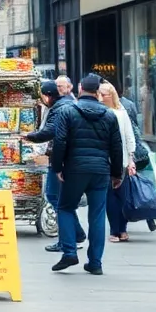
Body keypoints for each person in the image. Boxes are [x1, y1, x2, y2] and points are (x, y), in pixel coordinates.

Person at [50, 74, 122, 274]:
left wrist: (58, 167)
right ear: (98, 92)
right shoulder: (109, 115)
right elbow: (117, 147)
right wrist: (117, 174)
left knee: (65, 207)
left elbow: (60, 142)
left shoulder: (68, 111)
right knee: (97, 215)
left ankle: (69, 252)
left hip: (75, 169)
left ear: (80, 88)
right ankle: (95, 262)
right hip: (100, 171)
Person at [25, 80, 83, 253]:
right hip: (68, 160)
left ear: (47, 95)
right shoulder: (66, 105)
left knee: (55, 197)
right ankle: (72, 235)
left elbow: (51, 132)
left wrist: (30, 137)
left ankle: (71, 236)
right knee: (60, 199)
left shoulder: (58, 109)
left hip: (61, 160)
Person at [98, 82, 138, 244]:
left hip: (120, 160)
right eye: (99, 93)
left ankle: (123, 229)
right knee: (110, 196)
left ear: (111, 95)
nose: (101, 97)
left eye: (104, 94)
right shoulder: (99, 112)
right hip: (103, 161)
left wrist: (131, 160)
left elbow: (129, 136)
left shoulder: (121, 113)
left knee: (123, 196)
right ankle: (115, 229)